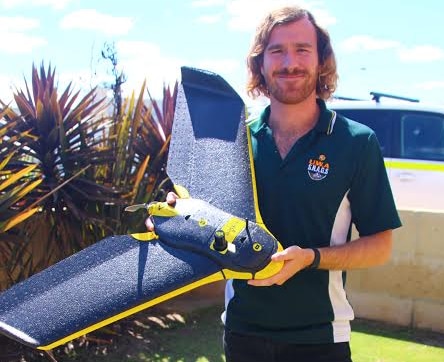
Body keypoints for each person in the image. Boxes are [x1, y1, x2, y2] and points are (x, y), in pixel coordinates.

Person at [152, 5, 401, 362]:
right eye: (277, 51)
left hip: (321, 337)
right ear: (260, 63)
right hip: (243, 332)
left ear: (321, 60)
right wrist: (175, 222)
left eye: (302, 49)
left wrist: (311, 258)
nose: (290, 63)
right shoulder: (231, 143)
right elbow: (205, 224)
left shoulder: (356, 142)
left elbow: (380, 245)